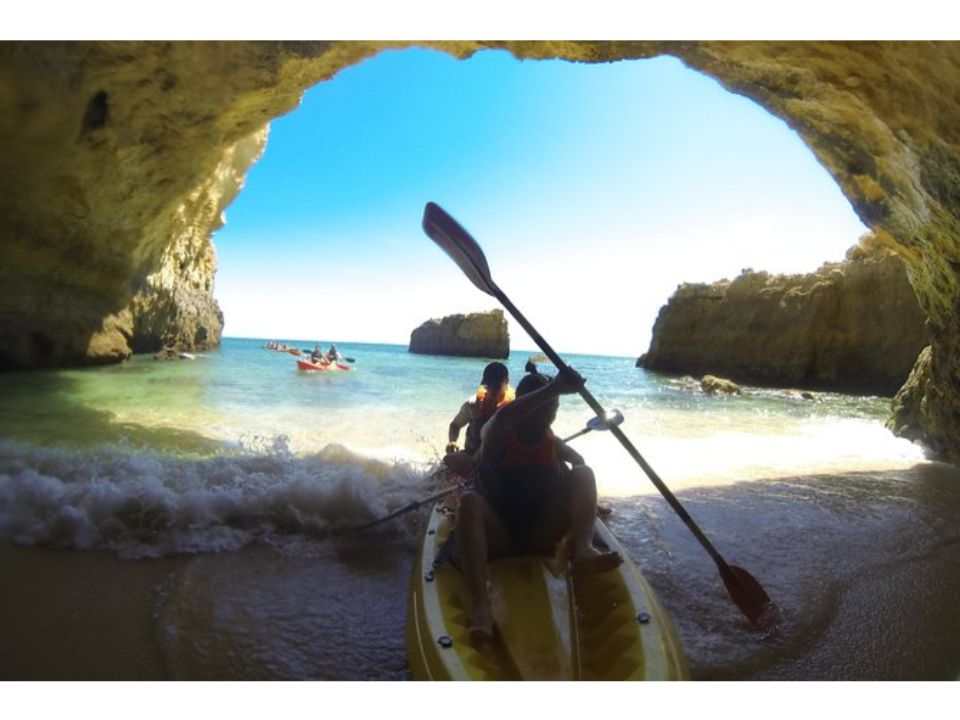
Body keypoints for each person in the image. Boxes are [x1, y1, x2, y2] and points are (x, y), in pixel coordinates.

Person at [452, 365, 622, 643]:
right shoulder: (495, 434)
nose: (550, 412)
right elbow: (505, 416)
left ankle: (583, 549)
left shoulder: (550, 441)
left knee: (583, 473)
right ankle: (481, 608)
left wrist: (584, 503)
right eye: (545, 404)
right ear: (524, 405)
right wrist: (553, 388)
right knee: (470, 502)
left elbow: (578, 461)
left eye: (553, 406)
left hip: (542, 536)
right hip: (502, 540)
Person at [446, 362, 515, 457]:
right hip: (472, 455)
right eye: (488, 385)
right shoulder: (472, 405)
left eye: (497, 386)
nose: (492, 389)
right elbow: (455, 425)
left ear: (506, 382)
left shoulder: (514, 405)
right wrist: (452, 442)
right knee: (448, 458)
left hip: (501, 458)